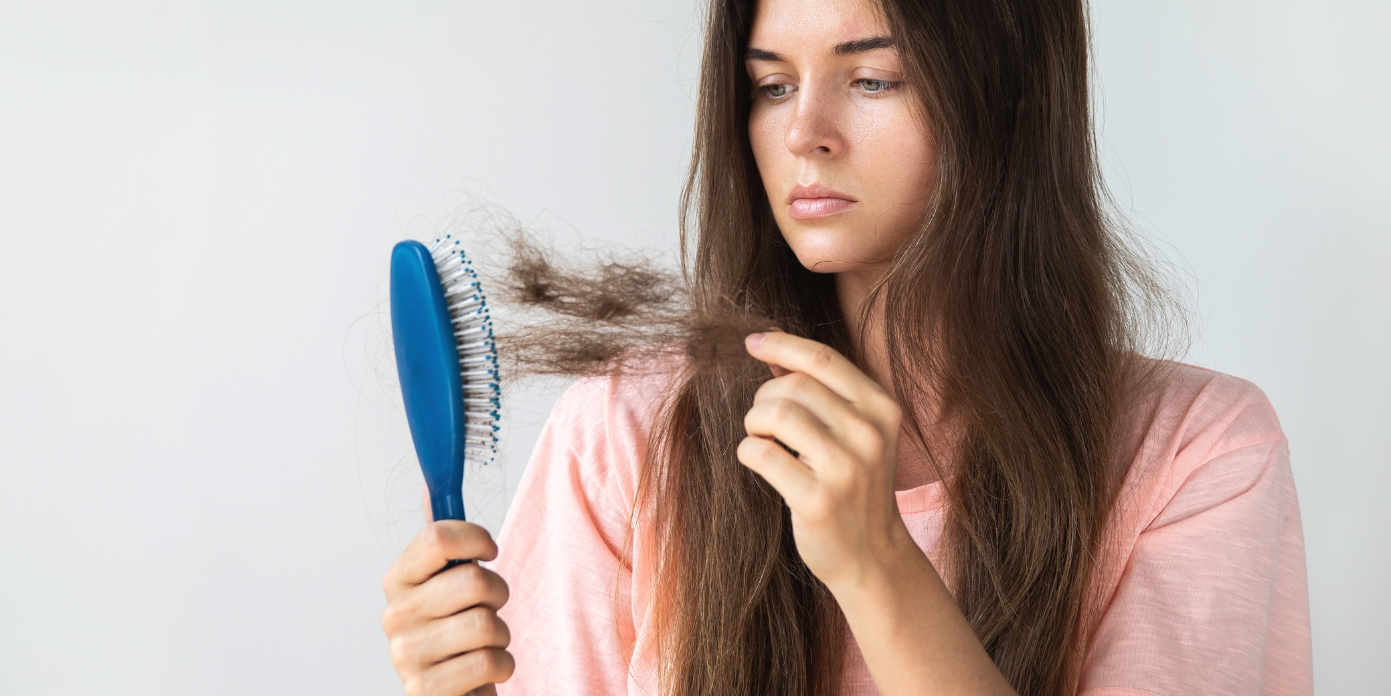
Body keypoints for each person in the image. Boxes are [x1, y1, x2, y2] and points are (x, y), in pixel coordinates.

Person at [379, 0, 1313, 693]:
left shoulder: (1198, 453)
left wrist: (876, 562)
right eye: (771, 84)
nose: (803, 134)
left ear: (1006, 101)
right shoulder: (626, 433)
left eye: (873, 78)